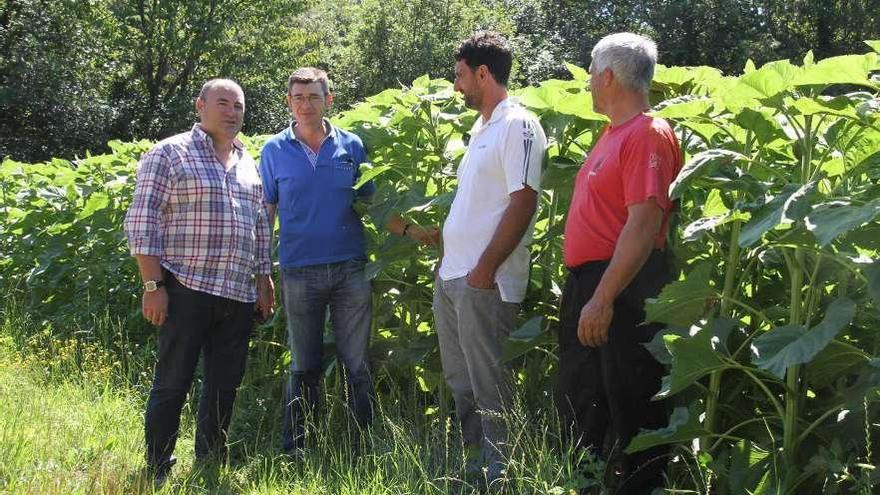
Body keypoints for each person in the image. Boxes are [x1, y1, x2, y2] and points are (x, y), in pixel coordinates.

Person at [259, 67, 435, 456]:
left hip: (349, 268)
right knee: (303, 365)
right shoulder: (273, 151)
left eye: (314, 97)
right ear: (289, 102)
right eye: (298, 97)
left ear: (329, 100)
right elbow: (266, 212)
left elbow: (372, 203)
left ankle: (360, 444)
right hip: (298, 270)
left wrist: (409, 230)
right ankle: (297, 447)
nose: (306, 105)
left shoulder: (350, 146)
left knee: (357, 363)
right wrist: (260, 269)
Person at [124, 78, 274, 484]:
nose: (232, 112)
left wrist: (264, 278)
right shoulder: (170, 153)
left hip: (238, 293)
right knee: (173, 380)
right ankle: (157, 466)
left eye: (238, 106)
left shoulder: (248, 162)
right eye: (223, 103)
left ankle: (210, 462)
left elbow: (260, 224)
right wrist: (153, 286)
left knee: (224, 385)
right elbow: (142, 221)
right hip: (185, 287)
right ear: (200, 106)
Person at [555, 32, 682, 494]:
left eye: (591, 72)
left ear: (607, 76)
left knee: (634, 402)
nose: (588, 81)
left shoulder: (648, 134)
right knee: (584, 400)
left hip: (624, 286)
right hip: (595, 283)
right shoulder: (613, 135)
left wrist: (603, 297)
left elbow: (644, 223)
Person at [434, 31, 546, 485]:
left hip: (484, 282)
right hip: (453, 277)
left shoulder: (518, 124)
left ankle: (505, 473)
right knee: (462, 382)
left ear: (484, 73)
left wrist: (484, 269)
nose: (456, 85)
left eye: (461, 75)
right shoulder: (483, 128)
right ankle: (476, 466)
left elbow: (524, 201)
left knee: (489, 384)